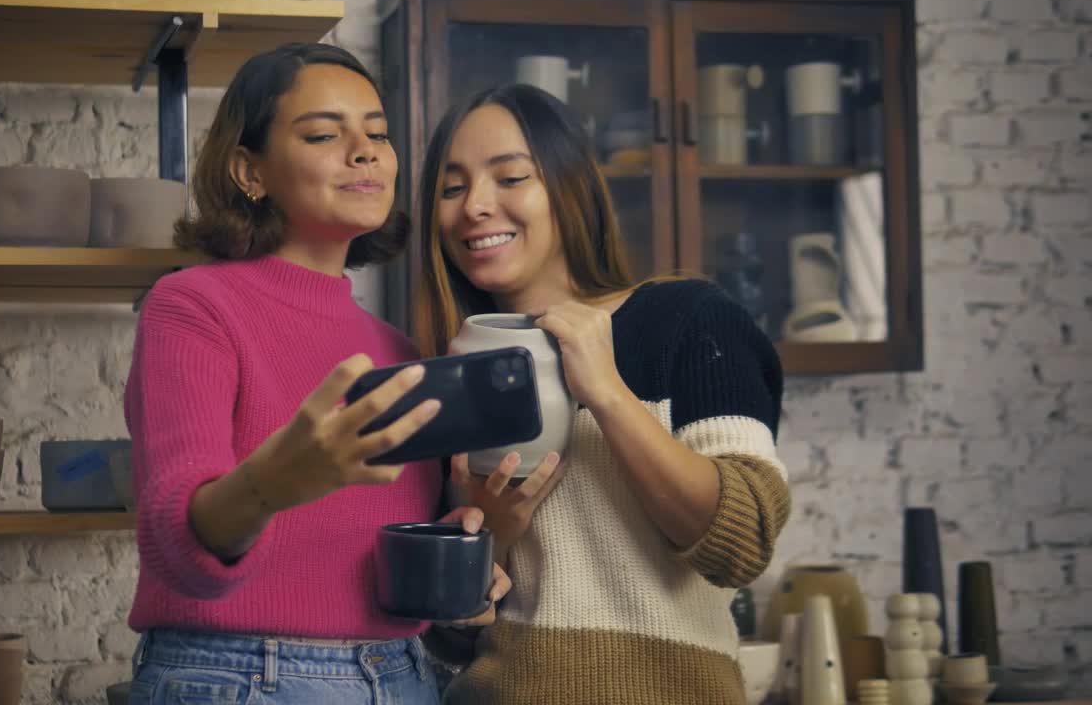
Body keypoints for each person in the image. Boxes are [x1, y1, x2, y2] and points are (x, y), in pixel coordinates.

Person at [122, 43, 508, 705]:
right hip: (242, 677)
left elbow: (365, 559)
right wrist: (271, 483)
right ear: (250, 171)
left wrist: (457, 573)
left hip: (403, 675)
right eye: (325, 134)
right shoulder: (193, 306)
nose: (364, 152)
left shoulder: (400, 350)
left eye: (378, 135)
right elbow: (173, 545)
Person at [413, 83, 791, 704]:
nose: (475, 206)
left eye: (510, 177)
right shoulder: (451, 367)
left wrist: (607, 393)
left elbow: (742, 543)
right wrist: (495, 535)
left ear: (570, 187)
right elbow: (448, 643)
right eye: (452, 189)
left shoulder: (687, 321)